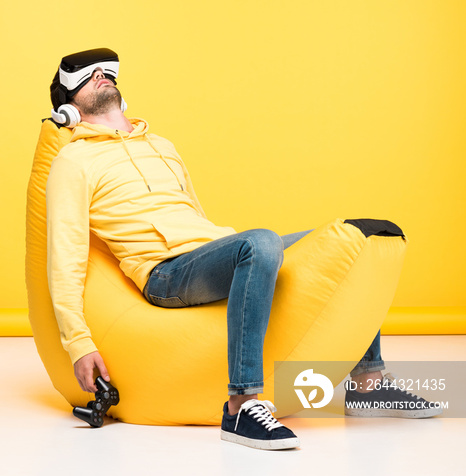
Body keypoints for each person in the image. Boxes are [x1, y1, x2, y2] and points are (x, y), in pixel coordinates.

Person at [46, 48, 441, 451]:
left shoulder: (162, 145)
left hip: (208, 252)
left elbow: (195, 214)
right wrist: (79, 343)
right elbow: (65, 253)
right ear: (68, 108)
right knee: (261, 240)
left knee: (351, 239)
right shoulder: (73, 161)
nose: (101, 76)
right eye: (87, 76)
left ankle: (367, 386)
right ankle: (240, 407)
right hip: (165, 273)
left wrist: (230, 252)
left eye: (106, 72)